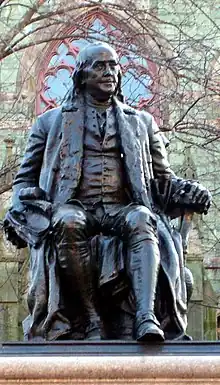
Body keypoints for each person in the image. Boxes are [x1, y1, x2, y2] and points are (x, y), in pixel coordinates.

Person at [4, 42, 211, 342]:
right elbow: (23, 182)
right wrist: (22, 213)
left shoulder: (142, 123)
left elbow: (162, 183)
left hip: (122, 209)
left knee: (143, 218)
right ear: (81, 76)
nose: (109, 72)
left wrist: (192, 192)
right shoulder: (50, 122)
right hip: (75, 207)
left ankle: (145, 317)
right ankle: (92, 319)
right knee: (68, 221)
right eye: (99, 66)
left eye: (113, 66)